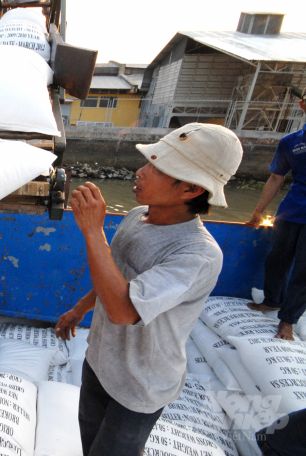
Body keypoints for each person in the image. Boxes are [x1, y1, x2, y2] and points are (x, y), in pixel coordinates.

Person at [55, 123, 243, 456]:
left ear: (189, 190)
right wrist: (79, 309)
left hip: (140, 385)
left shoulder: (197, 254)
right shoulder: (138, 215)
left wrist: (93, 233)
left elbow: (123, 309)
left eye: (157, 168)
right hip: (100, 362)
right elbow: (113, 274)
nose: (141, 171)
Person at [246, 90, 306, 341]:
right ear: (303, 106)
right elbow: (275, 178)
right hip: (290, 211)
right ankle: (272, 301)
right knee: (276, 261)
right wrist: (259, 210)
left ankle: (287, 321)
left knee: (303, 271)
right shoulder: (291, 142)